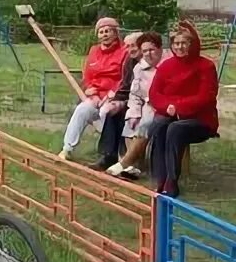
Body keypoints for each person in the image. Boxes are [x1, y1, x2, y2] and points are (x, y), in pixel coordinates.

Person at [147, 21, 219, 198]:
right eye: (176, 43)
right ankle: (160, 178)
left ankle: (172, 181)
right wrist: (168, 107)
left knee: (175, 129)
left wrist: (178, 107)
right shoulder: (166, 66)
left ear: (192, 44)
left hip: (200, 120)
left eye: (183, 43)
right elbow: (154, 93)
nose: (179, 47)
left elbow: (206, 97)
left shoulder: (206, 66)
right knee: (158, 125)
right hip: (170, 114)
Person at [58, 17, 127, 160]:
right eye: (101, 32)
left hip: (114, 96)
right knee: (81, 110)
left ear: (116, 33)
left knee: (104, 114)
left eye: (108, 31)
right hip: (95, 95)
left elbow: (124, 77)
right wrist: (91, 92)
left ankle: (112, 154)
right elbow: (88, 75)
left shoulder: (124, 52)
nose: (104, 34)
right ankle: (67, 149)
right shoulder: (94, 51)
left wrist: (110, 95)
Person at [106, 32, 166, 179]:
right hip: (144, 104)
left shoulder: (167, 66)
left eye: (151, 50)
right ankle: (134, 167)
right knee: (130, 123)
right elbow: (134, 94)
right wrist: (133, 112)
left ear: (160, 49)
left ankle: (124, 163)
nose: (148, 54)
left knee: (145, 124)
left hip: (162, 107)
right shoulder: (139, 68)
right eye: (144, 51)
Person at [91, 31, 142, 170]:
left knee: (125, 115)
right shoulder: (130, 62)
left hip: (146, 103)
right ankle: (109, 155)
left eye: (134, 45)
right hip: (131, 100)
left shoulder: (149, 61)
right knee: (113, 112)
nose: (131, 49)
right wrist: (117, 100)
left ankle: (127, 161)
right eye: (128, 46)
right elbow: (125, 85)